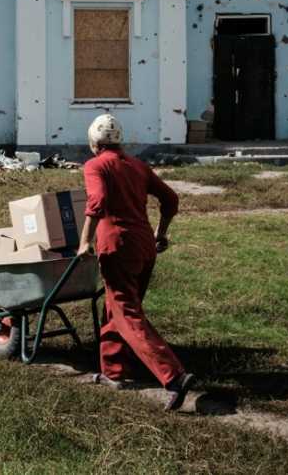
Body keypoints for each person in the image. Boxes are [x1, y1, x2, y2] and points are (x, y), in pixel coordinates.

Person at [77, 113, 195, 411]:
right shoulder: (138, 166)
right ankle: (113, 372)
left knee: (127, 313)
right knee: (117, 307)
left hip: (117, 245)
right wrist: (161, 232)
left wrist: (84, 243)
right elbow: (170, 199)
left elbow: (97, 202)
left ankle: (174, 376)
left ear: (93, 142)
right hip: (144, 246)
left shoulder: (95, 165)